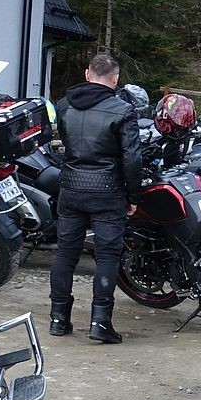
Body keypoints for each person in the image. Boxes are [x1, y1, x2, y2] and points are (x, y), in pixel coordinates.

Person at [49, 52, 142, 343]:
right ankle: (100, 322)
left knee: (65, 253)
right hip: (107, 191)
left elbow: (66, 144)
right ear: (115, 79)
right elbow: (132, 159)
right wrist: (133, 195)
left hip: (71, 187)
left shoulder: (64, 105)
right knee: (107, 255)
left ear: (87, 74)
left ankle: (58, 319)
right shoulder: (123, 110)